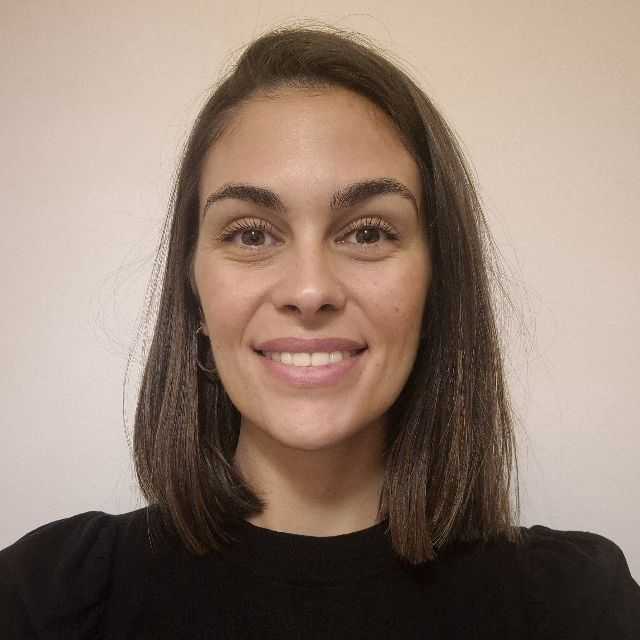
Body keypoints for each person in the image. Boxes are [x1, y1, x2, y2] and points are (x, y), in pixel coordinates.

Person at [1, 23, 638, 639]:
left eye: (369, 232)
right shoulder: (47, 597)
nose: (309, 291)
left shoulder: (576, 604)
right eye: (252, 234)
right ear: (194, 295)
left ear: (437, 285)